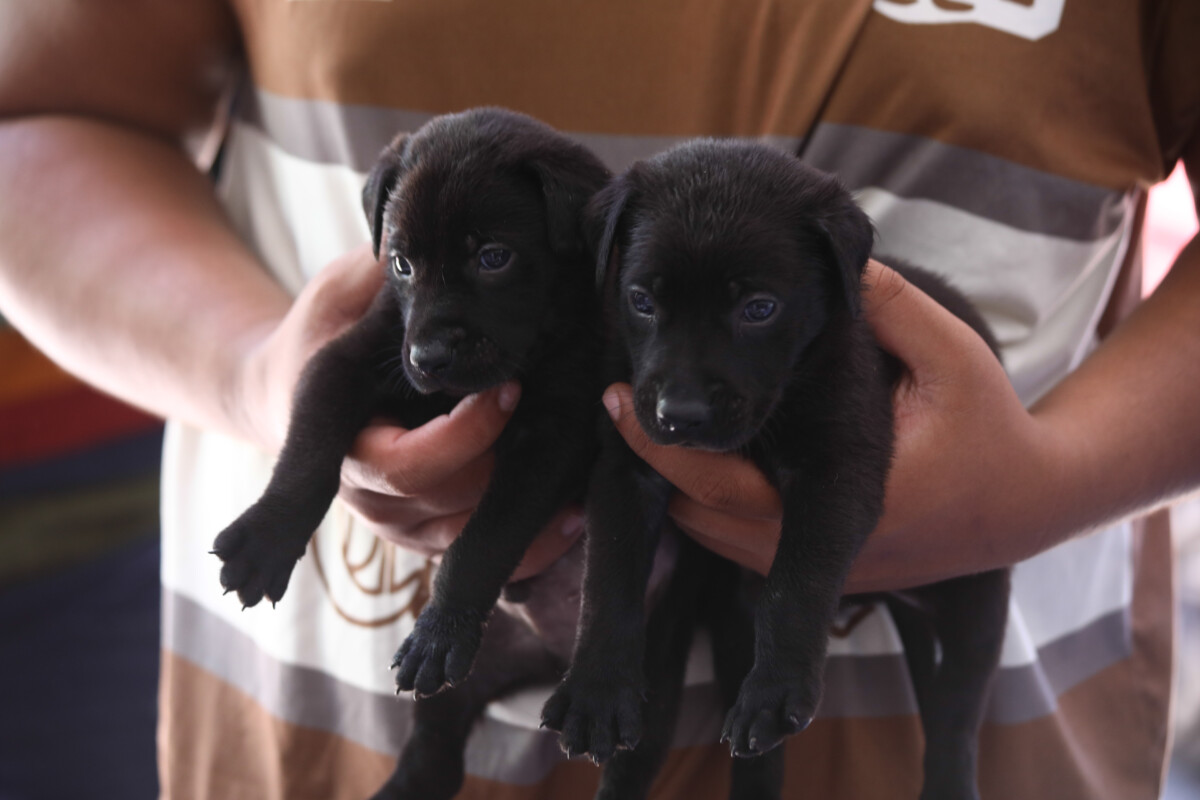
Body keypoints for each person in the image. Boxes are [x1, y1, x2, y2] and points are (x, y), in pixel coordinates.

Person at [0, 1, 1196, 798]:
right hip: (322, 736)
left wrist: (1057, 481)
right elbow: (35, 113)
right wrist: (256, 373)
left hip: (976, 731)